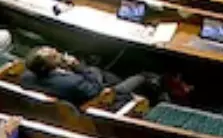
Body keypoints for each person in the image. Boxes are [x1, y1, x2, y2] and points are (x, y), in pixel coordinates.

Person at [22, 45, 162, 106]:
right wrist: (77, 66)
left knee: (97, 70)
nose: (56, 51)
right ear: (47, 66)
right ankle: (160, 99)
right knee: (142, 77)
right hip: (102, 99)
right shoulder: (73, 83)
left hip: (71, 97)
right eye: (53, 55)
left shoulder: (26, 77)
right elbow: (98, 88)